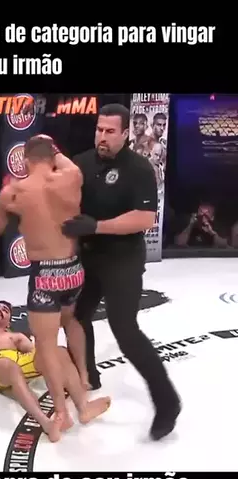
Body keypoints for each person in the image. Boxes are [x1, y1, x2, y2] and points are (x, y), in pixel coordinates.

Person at [61, 103, 181, 441]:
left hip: (122, 259)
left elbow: (145, 219)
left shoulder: (139, 168)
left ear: (126, 133)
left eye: (110, 131)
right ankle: (87, 377)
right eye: (99, 130)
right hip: (88, 256)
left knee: (125, 329)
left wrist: (96, 226)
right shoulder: (81, 162)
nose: (102, 136)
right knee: (76, 316)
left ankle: (167, 402)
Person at [0, 136, 91, 432]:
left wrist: (1, 204)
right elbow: (63, 162)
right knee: (71, 320)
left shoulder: (16, 191)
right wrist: (52, 147)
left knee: (46, 346)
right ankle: (83, 379)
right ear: (53, 154)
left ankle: (62, 412)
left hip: (46, 275)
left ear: (25, 160)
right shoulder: (72, 176)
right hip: (73, 271)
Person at [0, 300, 111, 442]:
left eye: (5, 310)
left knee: (59, 352)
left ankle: (83, 407)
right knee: (9, 365)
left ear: (8, 322)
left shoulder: (15, 337)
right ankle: (46, 423)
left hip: (17, 360)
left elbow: (37, 354)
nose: (0, 309)